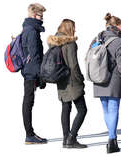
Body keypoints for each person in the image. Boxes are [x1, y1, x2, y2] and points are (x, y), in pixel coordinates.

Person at [90, 13, 121, 154]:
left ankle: (112, 138)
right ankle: (112, 140)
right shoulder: (119, 42)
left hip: (98, 78)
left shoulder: (97, 38)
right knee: (114, 109)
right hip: (114, 79)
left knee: (106, 109)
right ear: (116, 26)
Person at [47, 19, 87, 148]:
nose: (75, 30)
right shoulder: (70, 44)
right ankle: (72, 138)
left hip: (60, 79)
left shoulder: (54, 42)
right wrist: (80, 79)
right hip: (71, 80)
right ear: (69, 28)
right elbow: (73, 65)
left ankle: (65, 139)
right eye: (74, 27)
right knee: (82, 109)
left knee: (66, 107)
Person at [21, 3, 47, 144]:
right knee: (28, 102)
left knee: (28, 101)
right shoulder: (31, 30)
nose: (42, 19)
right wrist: (41, 75)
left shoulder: (28, 28)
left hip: (29, 71)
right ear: (33, 15)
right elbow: (35, 55)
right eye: (40, 16)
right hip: (31, 72)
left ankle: (30, 134)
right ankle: (29, 135)